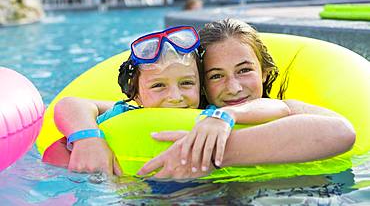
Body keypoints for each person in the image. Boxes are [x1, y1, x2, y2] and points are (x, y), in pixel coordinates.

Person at [137, 18, 356, 179]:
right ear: (201, 85)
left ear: (264, 72)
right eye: (216, 76)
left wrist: (213, 148)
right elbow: (104, 106)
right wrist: (99, 134)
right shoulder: (187, 113)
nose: (233, 87)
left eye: (244, 71)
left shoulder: (285, 109)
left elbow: (342, 132)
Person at [43, 25, 203, 176]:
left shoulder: (213, 119)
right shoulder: (124, 115)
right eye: (158, 85)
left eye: (187, 83)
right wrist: (88, 139)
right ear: (137, 95)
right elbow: (69, 104)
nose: (175, 97)